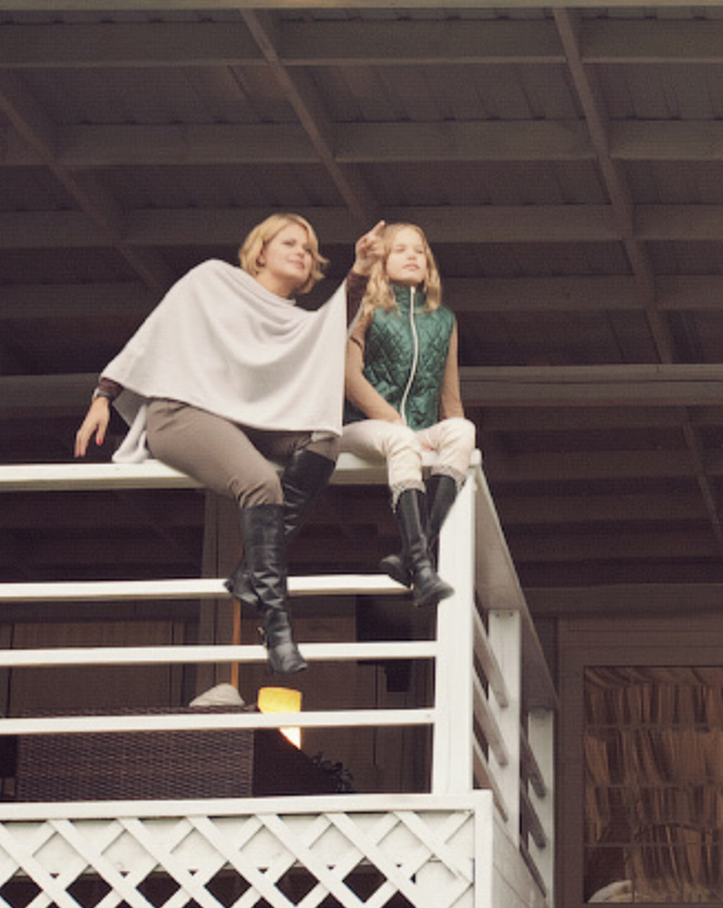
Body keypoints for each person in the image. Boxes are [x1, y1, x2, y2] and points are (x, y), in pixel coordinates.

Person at [74, 213, 379, 674]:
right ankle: (277, 630)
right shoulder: (212, 280)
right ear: (259, 251)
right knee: (261, 483)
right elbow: (153, 334)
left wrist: (359, 270)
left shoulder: (297, 323)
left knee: (324, 439)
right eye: (290, 242)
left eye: (309, 249)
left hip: (247, 420)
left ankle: (248, 576)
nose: (303, 252)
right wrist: (104, 395)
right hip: (182, 413)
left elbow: (332, 325)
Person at [340, 221, 475, 610]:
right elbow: (349, 377)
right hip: (360, 427)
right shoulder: (367, 307)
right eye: (400, 249)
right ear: (382, 261)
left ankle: (412, 556)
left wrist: (455, 438)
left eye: (419, 250)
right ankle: (423, 562)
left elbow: (450, 398)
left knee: (463, 430)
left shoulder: (444, 320)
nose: (413, 255)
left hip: (414, 433)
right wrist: (393, 421)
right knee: (400, 440)